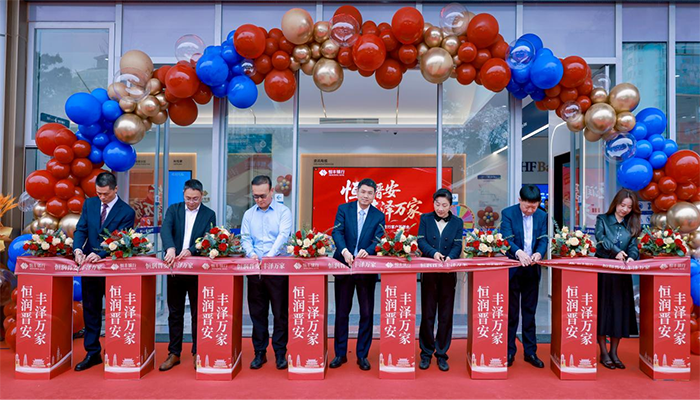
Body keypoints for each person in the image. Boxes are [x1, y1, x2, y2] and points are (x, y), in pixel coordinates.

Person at [73, 172, 136, 371]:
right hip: (90, 267)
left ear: (115, 189)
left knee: (116, 311)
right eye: (99, 193)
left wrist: (100, 254)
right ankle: (92, 353)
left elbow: (120, 240)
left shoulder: (127, 212)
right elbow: (81, 229)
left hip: (113, 269)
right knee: (91, 309)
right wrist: (77, 249)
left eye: (106, 194)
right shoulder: (90, 204)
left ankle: (116, 351)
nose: (102, 197)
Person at [159, 179, 217, 372]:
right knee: (174, 312)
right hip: (175, 268)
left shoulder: (209, 214)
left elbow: (208, 238)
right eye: (188, 198)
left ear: (202, 196)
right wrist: (170, 248)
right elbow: (166, 229)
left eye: (195, 199)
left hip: (196, 270)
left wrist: (191, 250)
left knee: (197, 313)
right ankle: (174, 352)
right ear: (183, 194)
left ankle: (197, 352)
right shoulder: (174, 209)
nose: (191, 202)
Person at [330, 178, 386, 371]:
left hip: (365, 270)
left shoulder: (378, 215)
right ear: (356, 191)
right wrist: (345, 251)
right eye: (363, 192)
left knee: (366, 313)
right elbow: (337, 233)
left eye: (370, 193)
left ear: (374, 195)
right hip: (344, 267)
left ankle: (362, 355)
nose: (366, 196)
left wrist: (367, 251)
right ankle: (340, 353)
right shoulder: (344, 209)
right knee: (342, 312)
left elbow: (378, 239)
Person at [241, 175, 292, 370]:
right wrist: (251, 253)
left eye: (262, 195)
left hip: (277, 269)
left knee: (280, 313)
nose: (259, 200)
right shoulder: (249, 214)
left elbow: (283, 236)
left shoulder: (283, 212)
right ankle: (259, 352)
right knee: (257, 313)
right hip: (255, 269)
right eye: (255, 196)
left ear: (272, 191)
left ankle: (280, 352)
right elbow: (245, 237)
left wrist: (269, 257)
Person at [500, 185, 548, 369]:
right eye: (527, 206)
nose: (530, 211)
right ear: (520, 200)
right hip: (514, 268)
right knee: (511, 313)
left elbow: (543, 239)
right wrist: (518, 252)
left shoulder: (542, 215)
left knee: (530, 312)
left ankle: (530, 352)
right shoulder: (508, 213)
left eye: (534, 207)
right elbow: (506, 239)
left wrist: (539, 253)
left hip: (532, 269)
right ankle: (509, 351)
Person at [417, 188, 463, 372]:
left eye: (444, 205)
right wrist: (433, 253)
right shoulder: (425, 219)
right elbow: (421, 241)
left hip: (448, 273)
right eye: (437, 204)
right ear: (433, 203)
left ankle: (442, 354)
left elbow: (458, 244)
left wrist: (450, 257)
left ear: (450, 205)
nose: (440, 209)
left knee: (445, 315)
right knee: (428, 314)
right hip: (429, 271)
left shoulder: (458, 222)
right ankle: (426, 353)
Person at [595, 189, 640, 370]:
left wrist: (632, 257)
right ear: (616, 203)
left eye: (629, 207)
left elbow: (634, 246)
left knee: (619, 313)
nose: (625, 210)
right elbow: (600, 238)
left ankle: (614, 352)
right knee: (603, 311)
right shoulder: (603, 219)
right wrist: (616, 251)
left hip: (622, 273)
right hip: (604, 272)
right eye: (622, 205)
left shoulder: (632, 224)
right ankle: (603, 352)